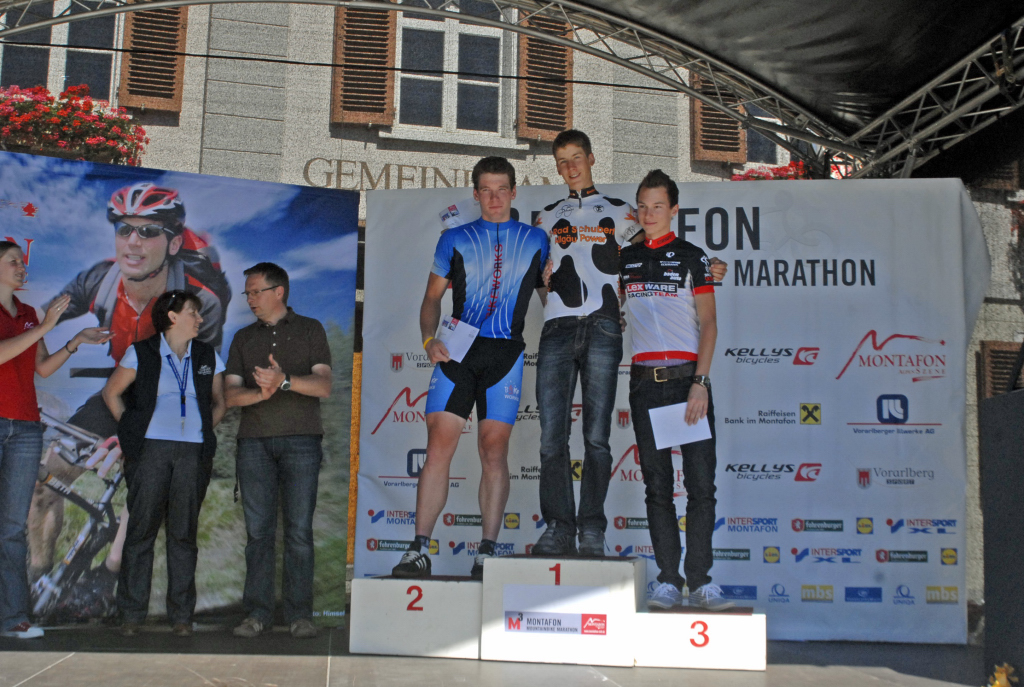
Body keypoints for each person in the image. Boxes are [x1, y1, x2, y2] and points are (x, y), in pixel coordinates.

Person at [27, 182, 231, 621]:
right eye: (124, 230)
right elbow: (35, 325)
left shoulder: (202, 300)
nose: (133, 242)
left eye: (148, 231)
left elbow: (194, 384)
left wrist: (137, 436)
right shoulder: (97, 281)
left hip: (171, 405)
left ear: (173, 243)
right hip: (118, 392)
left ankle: (107, 577)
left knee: (146, 491)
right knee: (45, 483)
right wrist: (42, 360)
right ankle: (37, 580)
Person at [532, 130, 727, 557]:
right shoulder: (544, 218)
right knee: (551, 438)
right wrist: (546, 293)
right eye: (562, 160)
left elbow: (657, 255)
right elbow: (532, 273)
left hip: (604, 328)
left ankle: (592, 529)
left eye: (576, 157)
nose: (570, 167)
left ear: (591, 158)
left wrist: (708, 265)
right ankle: (559, 527)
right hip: (557, 330)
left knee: (596, 437)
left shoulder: (623, 213)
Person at [392, 156, 549, 581]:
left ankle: (486, 551)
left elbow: (550, 297)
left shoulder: (537, 239)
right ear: (475, 194)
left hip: (505, 354)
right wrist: (429, 340)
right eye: (486, 190)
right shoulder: (453, 238)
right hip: (457, 351)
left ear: (514, 192)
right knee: (438, 445)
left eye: (502, 190)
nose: (494, 198)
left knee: (493, 448)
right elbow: (431, 299)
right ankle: (418, 549)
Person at [619, 170, 732, 611]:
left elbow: (710, 323)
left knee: (701, 486)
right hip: (645, 384)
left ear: (674, 210)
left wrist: (701, 382)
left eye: (658, 206)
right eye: (643, 206)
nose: (649, 214)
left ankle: (701, 580)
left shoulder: (693, 256)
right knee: (657, 488)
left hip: (687, 382)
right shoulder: (625, 258)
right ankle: (669, 578)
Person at [0, 241, 111, 639]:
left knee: (13, 527)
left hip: (25, 429)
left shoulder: (29, 315)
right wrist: (46, 327)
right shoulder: (36, 321)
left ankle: (13, 618)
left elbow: (43, 369)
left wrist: (74, 341)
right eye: (12, 261)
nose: (21, 266)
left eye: (22, 261)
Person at [101, 290, 226, 637]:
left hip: (193, 452)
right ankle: (131, 615)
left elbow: (220, 401)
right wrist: (133, 431)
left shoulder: (207, 354)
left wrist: (203, 429)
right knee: (140, 532)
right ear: (172, 317)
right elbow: (111, 393)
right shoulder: (142, 352)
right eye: (193, 312)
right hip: (150, 451)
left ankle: (182, 617)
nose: (200, 319)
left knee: (183, 534)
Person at [225, 263, 332, 639]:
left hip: (302, 441)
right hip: (253, 443)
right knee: (258, 534)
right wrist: (261, 393)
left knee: (299, 532)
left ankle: (300, 615)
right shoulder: (242, 337)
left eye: (256, 291)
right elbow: (229, 394)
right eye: (247, 293)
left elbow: (323, 386)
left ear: (279, 291)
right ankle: (257, 614)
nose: (250, 299)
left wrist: (284, 381)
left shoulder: (310, 329)